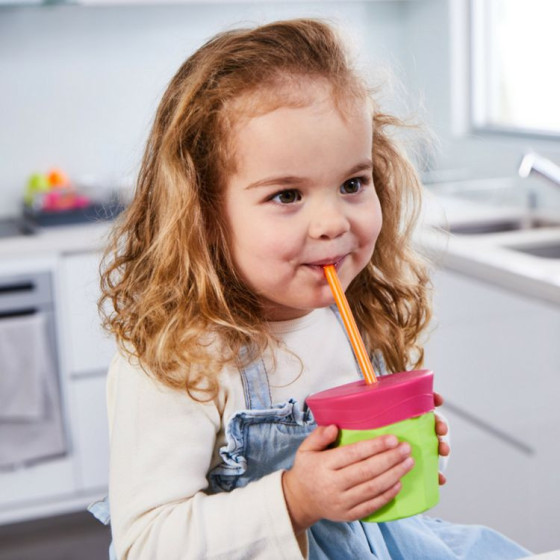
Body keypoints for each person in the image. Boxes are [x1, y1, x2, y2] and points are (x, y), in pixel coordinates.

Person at [90, 19, 531, 560]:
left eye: (352, 184)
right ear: (203, 214)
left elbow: (364, 514)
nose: (331, 222)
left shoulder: (352, 314)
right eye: (287, 195)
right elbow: (145, 544)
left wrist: (391, 461)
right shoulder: (179, 360)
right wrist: (297, 499)